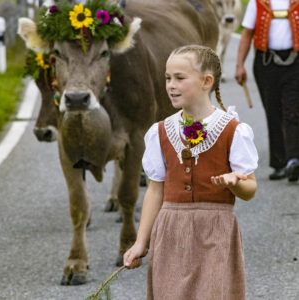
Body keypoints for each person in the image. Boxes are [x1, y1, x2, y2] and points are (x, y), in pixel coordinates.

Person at [123, 45, 258, 300]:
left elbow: (250, 189)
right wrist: (142, 242)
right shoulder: (161, 131)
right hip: (171, 231)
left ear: (207, 81)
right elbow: (155, 190)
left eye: (180, 78)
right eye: (167, 78)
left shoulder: (232, 130)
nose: (171, 85)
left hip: (215, 231)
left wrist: (235, 183)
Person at [235, 0, 299, 181]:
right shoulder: (258, 3)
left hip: (295, 63)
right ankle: (279, 163)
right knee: (273, 112)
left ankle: (293, 159)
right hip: (266, 63)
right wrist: (239, 65)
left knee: (292, 111)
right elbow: (247, 34)